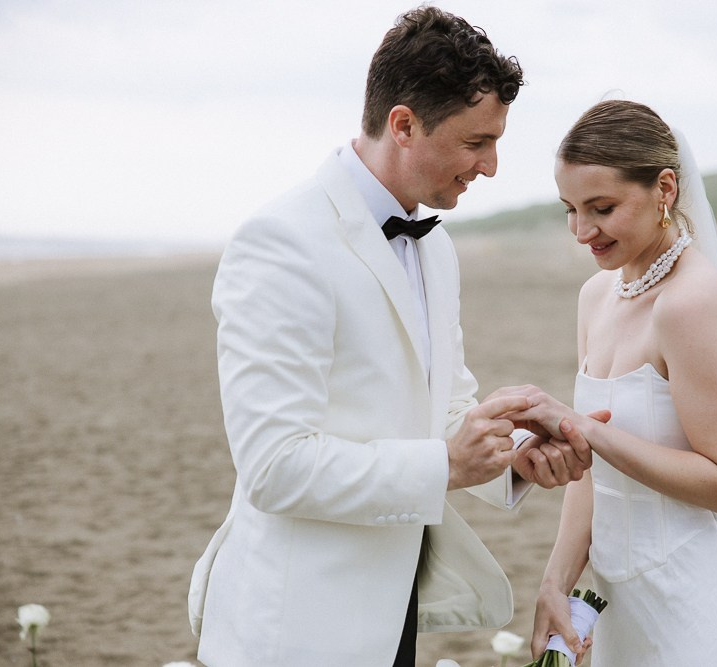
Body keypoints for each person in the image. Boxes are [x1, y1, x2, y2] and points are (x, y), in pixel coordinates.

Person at [186, 7, 592, 665]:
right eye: (476, 142)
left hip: (395, 617)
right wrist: (447, 464)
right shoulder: (283, 242)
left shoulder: (436, 249)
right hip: (294, 630)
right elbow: (274, 465)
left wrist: (513, 453)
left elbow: (444, 408)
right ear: (403, 125)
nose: (491, 165)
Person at [495, 100, 717, 665]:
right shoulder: (595, 296)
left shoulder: (689, 304)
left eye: (602, 208)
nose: (582, 231)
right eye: (570, 209)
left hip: (699, 609)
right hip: (619, 610)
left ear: (664, 189)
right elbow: (590, 474)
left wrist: (585, 429)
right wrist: (555, 584)